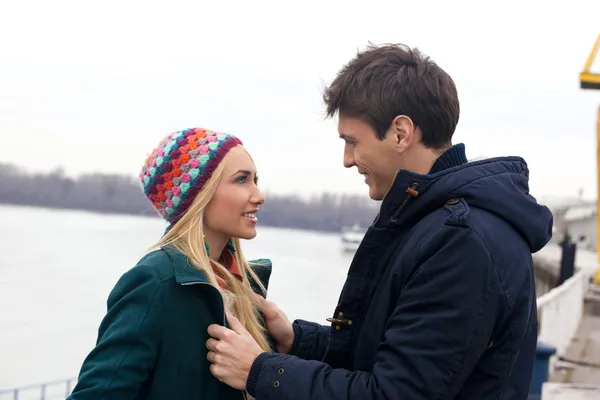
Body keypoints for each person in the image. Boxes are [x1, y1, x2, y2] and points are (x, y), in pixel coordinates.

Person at [206, 44, 554, 399]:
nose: (347, 159)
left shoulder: (460, 241)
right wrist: (300, 341)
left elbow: (394, 393)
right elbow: (395, 356)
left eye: (352, 141)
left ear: (401, 133)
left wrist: (260, 371)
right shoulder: (434, 223)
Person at [68, 128, 273, 400]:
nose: (259, 195)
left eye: (255, 179)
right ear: (200, 194)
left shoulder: (245, 287)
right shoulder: (155, 282)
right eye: (241, 180)